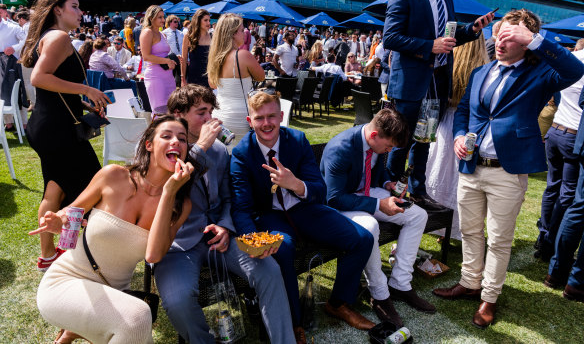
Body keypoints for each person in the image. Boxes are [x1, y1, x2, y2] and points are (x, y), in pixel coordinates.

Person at [433, 9, 584, 328]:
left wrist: (536, 40)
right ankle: (470, 282)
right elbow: (463, 112)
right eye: (498, 32)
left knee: (499, 239)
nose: (498, 39)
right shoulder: (480, 72)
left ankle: (489, 297)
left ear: (526, 41)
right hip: (471, 166)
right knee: (470, 230)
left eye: (508, 35)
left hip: (508, 170)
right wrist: (460, 135)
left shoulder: (542, 72)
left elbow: (574, 69)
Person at [31, 115, 195, 344]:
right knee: (138, 317)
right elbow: (72, 212)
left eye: (183, 139)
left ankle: (76, 331)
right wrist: (58, 220)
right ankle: (75, 329)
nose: (176, 142)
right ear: (149, 145)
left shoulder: (180, 204)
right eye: (166, 136)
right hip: (67, 280)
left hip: (113, 294)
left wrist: (169, 192)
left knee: (135, 324)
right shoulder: (113, 176)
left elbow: (153, 255)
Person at [230, 91, 374, 343]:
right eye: (259, 118)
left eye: (272, 116)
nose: (266, 123)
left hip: (303, 208)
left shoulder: (296, 139)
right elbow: (241, 207)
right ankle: (294, 323)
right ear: (249, 121)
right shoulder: (242, 153)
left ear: (281, 115)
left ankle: (338, 303)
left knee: (362, 238)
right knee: (282, 248)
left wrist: (295, 184)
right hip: (269, 216)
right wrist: (250, 238)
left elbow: (319, 189)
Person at [155, 86, 295, 343]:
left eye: (211, 111)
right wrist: (200, 146)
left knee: (269, 271)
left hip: (218, 237)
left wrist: (225, 226)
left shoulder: (219, 151)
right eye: (201, 113)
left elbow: (229, 197)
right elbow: (170, 186)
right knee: (178, 302)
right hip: (179, 242)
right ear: (178, 114)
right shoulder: (163, 149)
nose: (210, 118)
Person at [383, 0, 493, 211]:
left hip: (438, 83)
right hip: (411, 85)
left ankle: (419, 192)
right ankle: (389, 189)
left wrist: (472, 30)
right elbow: (390, 38)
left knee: (424, 140)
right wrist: (429, 46)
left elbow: (450, 38)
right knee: (401, 143)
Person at [20, 0, 111, 272]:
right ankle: (69, 252)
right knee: (92, 190)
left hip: (52, 127)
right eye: (75, 6)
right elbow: (39, 78)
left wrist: (84, 104)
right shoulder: (58, 37)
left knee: (55, 190)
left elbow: (54, 90)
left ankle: (53, 255)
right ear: (58, 9)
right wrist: (86, 88)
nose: (81, 11)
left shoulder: (52, 37)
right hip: (57, 131)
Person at [320, 109, 434, 327]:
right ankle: (380, 294)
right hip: (341, 202)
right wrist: (378, 204)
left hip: (365, 192)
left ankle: (400, 284)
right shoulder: (340, 149)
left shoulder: (375, 142)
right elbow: (333, 198)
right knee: (370, 227)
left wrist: (387, 185)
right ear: (374, 136)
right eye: (389, 146)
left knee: (418, 216)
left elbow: (375, 172)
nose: (389, 151)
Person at [425, 37, 489, 241]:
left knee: (438, 170)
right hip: (470, 126)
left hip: (445, 121)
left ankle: (435, 221)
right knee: (458, 178)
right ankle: (454, 229)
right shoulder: (484, 68)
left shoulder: (447, 63)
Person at [535, 48, 584, 262]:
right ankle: (549, 244)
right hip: (572, 134)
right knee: (567, 194)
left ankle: (544, 237)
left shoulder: (572, 57)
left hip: (556, 129)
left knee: (553, 187)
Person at [207, 13, 264, 148]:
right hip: (241, 116)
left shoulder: (215, 57)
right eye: (241, 30)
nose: (245, 33)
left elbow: (212, 84)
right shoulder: (243, 55)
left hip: (219, 115)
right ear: (232, 33)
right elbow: (261, 76)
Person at [140, 5, 177, 114]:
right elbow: (146, 56)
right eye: (159, 17)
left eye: (163, 17)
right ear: (151, 18)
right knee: (159, 112)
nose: (163, 20)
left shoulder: (162, 33)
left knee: (171, 109)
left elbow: (163, 54)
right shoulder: (147, 32)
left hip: (168, 76)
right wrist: (167, 61)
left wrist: (173, 58)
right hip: (155, 76)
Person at [181, 9, 211, 88]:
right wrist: (182, 79)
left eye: (209, 20)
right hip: (193, 77)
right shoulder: (188, 36)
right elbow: (184, 59)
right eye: (205, 20)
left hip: (209, 78)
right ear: (198, 21)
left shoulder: (212, 36)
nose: (208, 23)